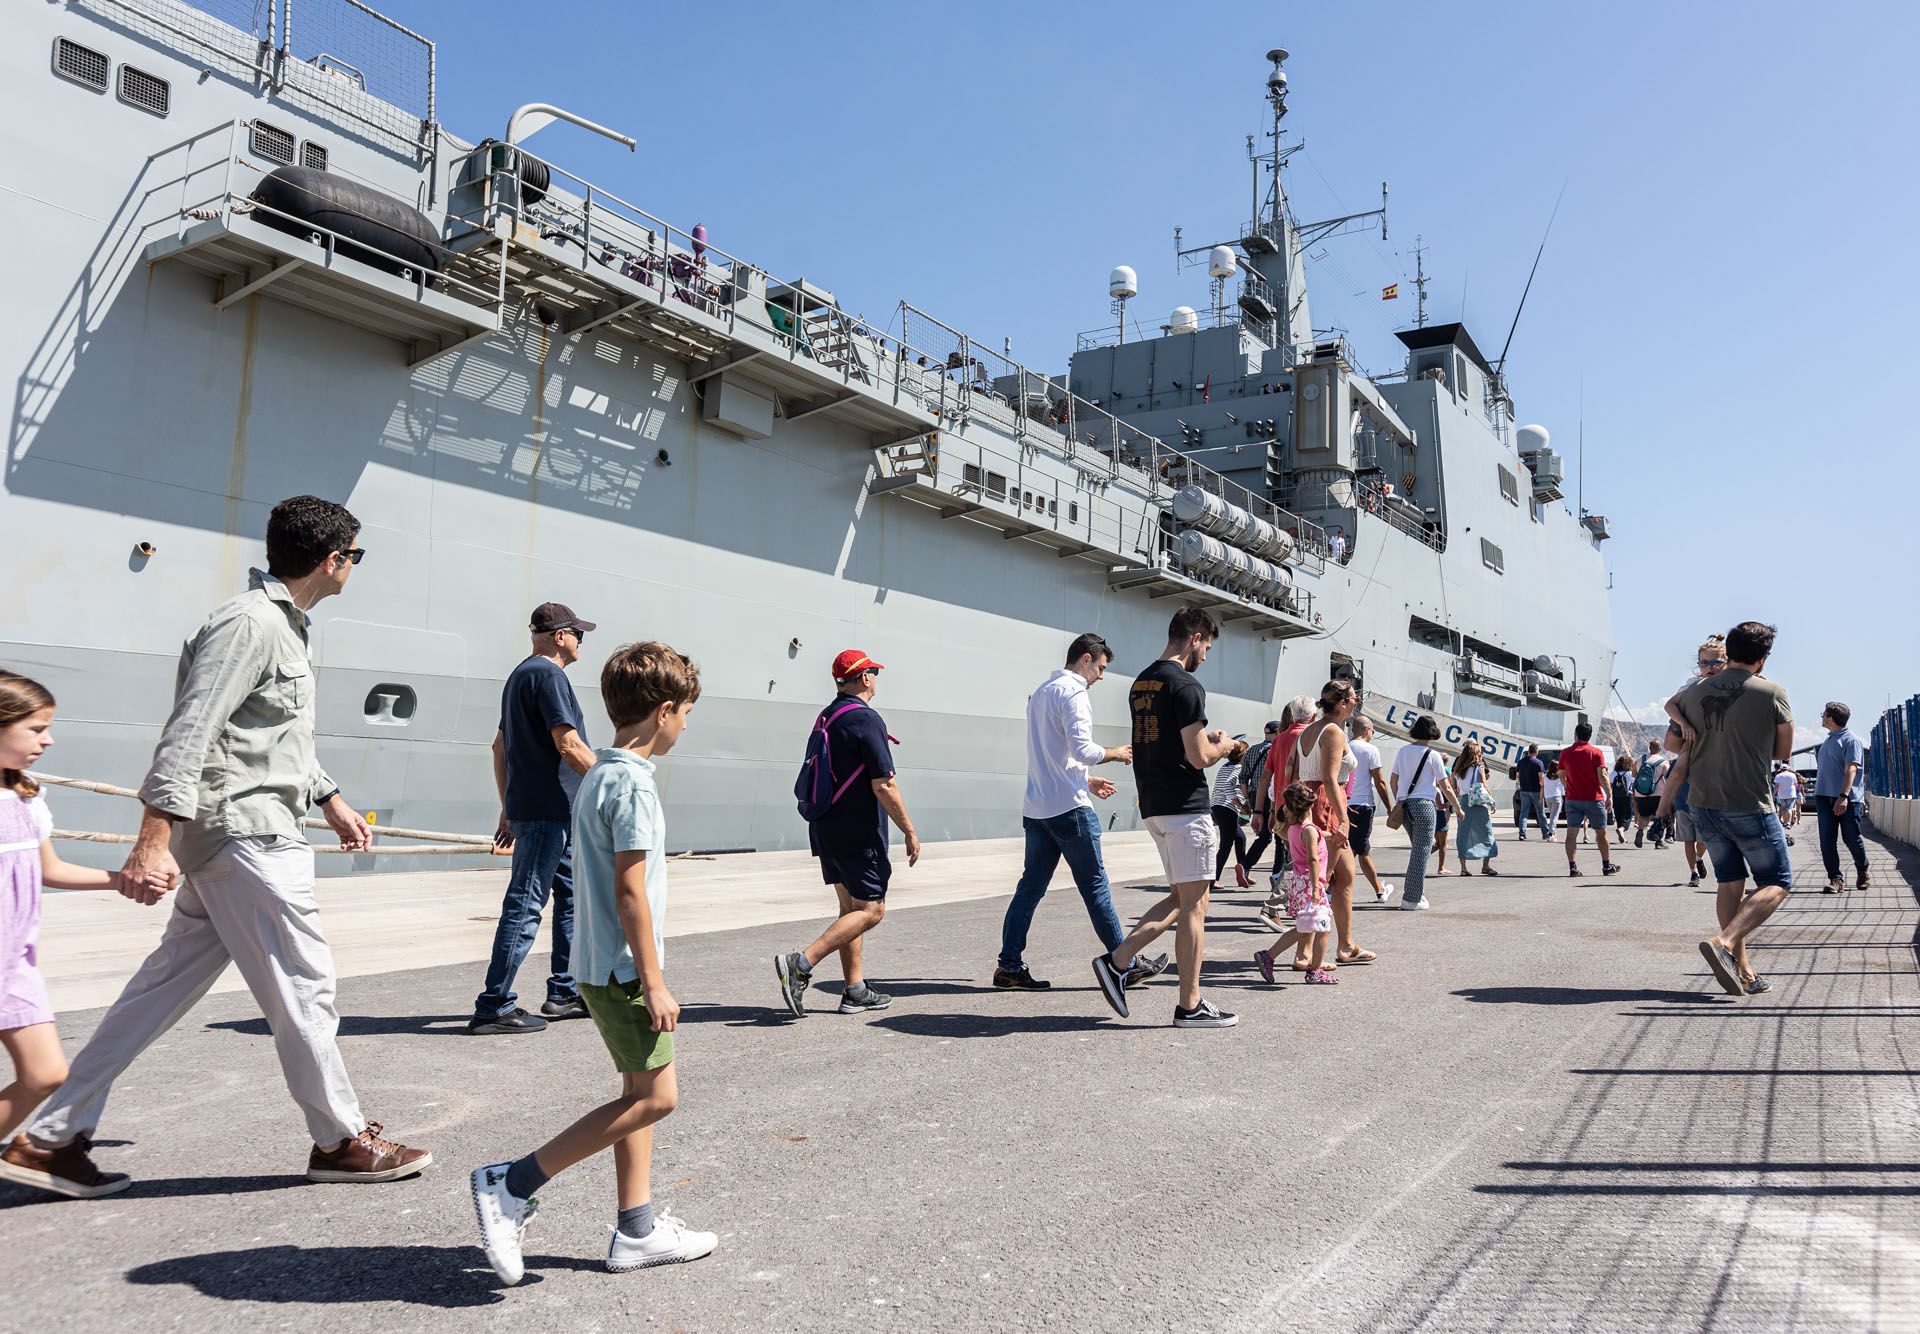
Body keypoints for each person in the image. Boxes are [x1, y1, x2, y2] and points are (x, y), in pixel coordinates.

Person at [7, 498, 429, 1196]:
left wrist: (328, 795)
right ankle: (339, 1139)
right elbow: (191, 730)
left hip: (244, 832)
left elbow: (271, 734)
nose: (353, 566)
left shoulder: (285, 627)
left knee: (157, 992)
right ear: (333, 559)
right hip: (247, 837)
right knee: (304, 988)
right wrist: (151, 839)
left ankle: (51, 1136)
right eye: (353, 556)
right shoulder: (251, 623)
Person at [471, 642, 716, 1284]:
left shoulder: (596, 775)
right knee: (659, 1099)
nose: (686, 724)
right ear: (664, 712)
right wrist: (656, 982)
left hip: (595, 965)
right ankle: (512, 1182)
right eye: (686, 712)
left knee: (637, 1092)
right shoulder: (632, 785)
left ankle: (635, 1229)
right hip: (625, 971)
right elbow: (630, 891)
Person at [0, 675, 168, 1198]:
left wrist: (123, 880)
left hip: (14, 963)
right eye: (37, 729)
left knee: (46, 1074)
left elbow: (48, 869)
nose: (47, 740)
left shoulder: (27, 799)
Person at [1090, 607, 1242, 1029]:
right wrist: (1225, 746)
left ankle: (1118, 961)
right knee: (1195, 906)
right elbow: (1197, 756)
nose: (1206, 657)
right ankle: (1188, 1005)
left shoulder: (1143, 682)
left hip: (1155, 804)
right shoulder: (1187, 684)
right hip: (1186, 806)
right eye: (1207, 646)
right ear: (1194, 638)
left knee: (1181, 898)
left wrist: (1202, 742)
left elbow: (1169, 742)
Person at [994, 634, 1153, 991]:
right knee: (1095, 887)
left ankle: (1009, 966)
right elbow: (1082, 749)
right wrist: (1114, 753)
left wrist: (1089, 779)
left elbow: (1054, 754)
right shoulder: (1075, 692)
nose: (1100, 676)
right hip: (1069, 810)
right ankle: (1124, 963)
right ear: (1085, 659)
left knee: (1029, 888)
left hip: (1038, 808)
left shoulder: (1040, 693)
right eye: (1100, 667)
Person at [470, 603, 599, 1036]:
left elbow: (498, 748)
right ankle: (493, 1006)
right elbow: (569, 744)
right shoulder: (549, 676)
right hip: (549, 811)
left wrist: (507, 804)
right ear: (560, 635)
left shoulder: (519, 676)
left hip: (537, 809)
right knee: (525, 905)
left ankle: (563, 993)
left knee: (571, 897)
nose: (583, 641)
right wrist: (612, 783)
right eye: (579, 633)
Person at [777, 651, 920, 1017]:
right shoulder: (866, 719)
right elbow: (885, 785)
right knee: (872, 910)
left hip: (825, 825)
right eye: (873, 672)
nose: (875, 678)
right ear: (866, 679)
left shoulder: (829, 714)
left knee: (849, 909)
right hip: (857, 830)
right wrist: (909, 829)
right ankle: (801, 964)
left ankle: (854, 990)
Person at [1676, 622, 1795, 996]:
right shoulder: (1772, 692)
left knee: (1729, 882)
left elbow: (1672, 739)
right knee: (1777, 881)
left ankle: (1743, 970)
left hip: (1704, 802)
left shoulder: (1694, 691)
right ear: (1762, 659)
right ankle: (1725, 943)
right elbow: (1783, 753)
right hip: (1749, 801)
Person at [1286, 681, 1375, 965]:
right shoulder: (1334, 732)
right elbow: (1329, 777)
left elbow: (1296, 773)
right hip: (1328, 804)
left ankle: (1346, 945)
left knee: (1346, 876)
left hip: (1315, 801)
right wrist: (1344, 819)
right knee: (1319, 881)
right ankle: (1304, 953)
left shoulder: (1309, 730)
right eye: (1352, 697)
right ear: (1342, 703)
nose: (1356, 700)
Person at [1251, 783, 1336, 985]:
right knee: (1323, 928)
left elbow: (1316, 836)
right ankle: (1315, 970)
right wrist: (1317, 888)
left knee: (1303, 928)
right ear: (1309, 807)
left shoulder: (1295, 829)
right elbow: (1313, 859)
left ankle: (1268, 956)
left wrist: (1333, 834)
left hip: (1298, 883)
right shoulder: (1309, 831)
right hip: (1310, 884)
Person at [1252, 695, 1315, 926]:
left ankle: (1294, 905)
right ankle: (1274, 907)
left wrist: (1263, 811)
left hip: (1280, 808)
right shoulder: (1309, 737)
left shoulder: (1279, 739)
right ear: (1313, 716)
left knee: (1295, 860)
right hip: (1301, 809)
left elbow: (1266, 777)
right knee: (1299, 862)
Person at [1390, 715, 1451, 910]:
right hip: (1425, 805)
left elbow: (1393, 780)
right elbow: (1446, 786)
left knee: (1419, 849)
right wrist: (1457, 808)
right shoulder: (1433, 755)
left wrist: (1400, 799)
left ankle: (1418, 892)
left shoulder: (1403, 751)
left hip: (1405, 805)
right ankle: (1411, 899)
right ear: (1433, 732)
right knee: (1421, 851)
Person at [1813, 701, 1870, 894]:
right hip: (1823, 797)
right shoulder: (1828, 740)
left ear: (1830, 718)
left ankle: (1863, 870)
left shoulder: (1850, 740)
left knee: (1852, 838)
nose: (1821, 716)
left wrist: (1843, 796)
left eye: (1824, 714)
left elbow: (1851, 769)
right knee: (1827, 841)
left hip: (1847, 798)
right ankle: (1835, 879)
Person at [1560, 721, 1621, 878]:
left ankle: (1573, 868)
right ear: (1590, 735)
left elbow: (1561, 774)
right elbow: (1602, 775)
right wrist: (1610, 795)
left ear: (1576, 734)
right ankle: (1606, 866)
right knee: (1601, 833)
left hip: (1573, 799)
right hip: (1594, 798)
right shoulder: (1596, 752)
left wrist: (1568, 786)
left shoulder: (1565, 753)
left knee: (1571, 834)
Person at [1345, 715, 1395, 902]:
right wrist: (1390, 807)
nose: (1372, 734)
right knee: (1363, 849)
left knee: (1349, 849)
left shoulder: (1344, 746)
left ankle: (1333, 889)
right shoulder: (1370, 750)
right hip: (1364, 805)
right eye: (1372, 731)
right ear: (1367, 730)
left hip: (1344, 804)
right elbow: (1380, 780)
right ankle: (1380, 891)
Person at [1234, 720, 1283, 883]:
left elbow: (1243, 779)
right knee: (1280, 836)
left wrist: (1248, 799)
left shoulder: (1252, 750)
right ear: (1278, 733)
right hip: (1271, 794)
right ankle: (1277, 874)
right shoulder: (1277, 750)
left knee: (1263, 836)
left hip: (1255, 794)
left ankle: (1245, 865)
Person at [1450, 740, 1500, 876]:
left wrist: (1456, 791)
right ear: (1475, 754)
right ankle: (1486, 866)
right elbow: (1483, 784)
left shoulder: (1458, 769)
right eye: (1479, 753)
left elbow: (1452, 781)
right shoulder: (1479, 767)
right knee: (1486, 832)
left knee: (1463, 833)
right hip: (1478, 802)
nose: (1481, 755)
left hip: (1464, 802)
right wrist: (1492, 801)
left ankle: (1463, 868)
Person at [1209, 737, 1251, 884]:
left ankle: (1243, 872)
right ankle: (1213, 879)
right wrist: (1240, 805)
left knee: (1240, 838)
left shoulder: (1225, 767)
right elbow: (1228, 786)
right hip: (1227, 808)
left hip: (1217, 807)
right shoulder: (1239, 769)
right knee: (1226, 844)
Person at [1631, 738, 1669, 848]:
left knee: (1644, 815)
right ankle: (1658, 841)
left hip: (1641, 793)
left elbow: (1634, 774)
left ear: (1649, 748)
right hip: (1658, 794)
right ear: (1660, 749)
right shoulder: (1663, 761)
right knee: (1660, 816)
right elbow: (1668, 777)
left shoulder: (1640, 759)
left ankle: (1640, 831)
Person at [1513, 744, 1548, 840]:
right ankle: (1545, 833)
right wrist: (1542, 793)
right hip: (1536, 791)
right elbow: (1541, 779)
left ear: (1529, 751)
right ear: (1536, 752)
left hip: (1524, 791)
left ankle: (1522, 833)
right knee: (1540, 812)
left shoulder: (1520, 762)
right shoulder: (1539, 763)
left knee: (1524, 812)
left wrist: (1522, 784)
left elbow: (1517, 777)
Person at [1771, 762, 1801, 845]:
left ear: (1781, 769)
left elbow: (1776, 786)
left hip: (1781, 795)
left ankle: (1785, 822)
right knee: (1789, 808)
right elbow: (1796, 784)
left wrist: (1773, 795)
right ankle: (1788, 823)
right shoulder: (1792, 775)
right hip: (1791, 794)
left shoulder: (1778, 776)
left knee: (1784, 809)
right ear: (1787, 769)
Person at [1609, 754, 1635, 839]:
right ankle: (1622, 829)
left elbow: (1610, 785)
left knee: (1618, 815)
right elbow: (1634, 785)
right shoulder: (1629, 773)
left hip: (1616, 796)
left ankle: (1621, 832)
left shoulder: (1613, 773)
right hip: (1628, 796)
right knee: (1628, 815)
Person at [1544, 759, 1566, 836]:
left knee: (1552, 815)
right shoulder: (1560, 776)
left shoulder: (1545, 776)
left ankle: (1553, 832)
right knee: (1554, 816)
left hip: (1547, 797)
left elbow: (1544, 786)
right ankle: (1551, 832)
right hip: (1556, 797)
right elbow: (1562, 788)